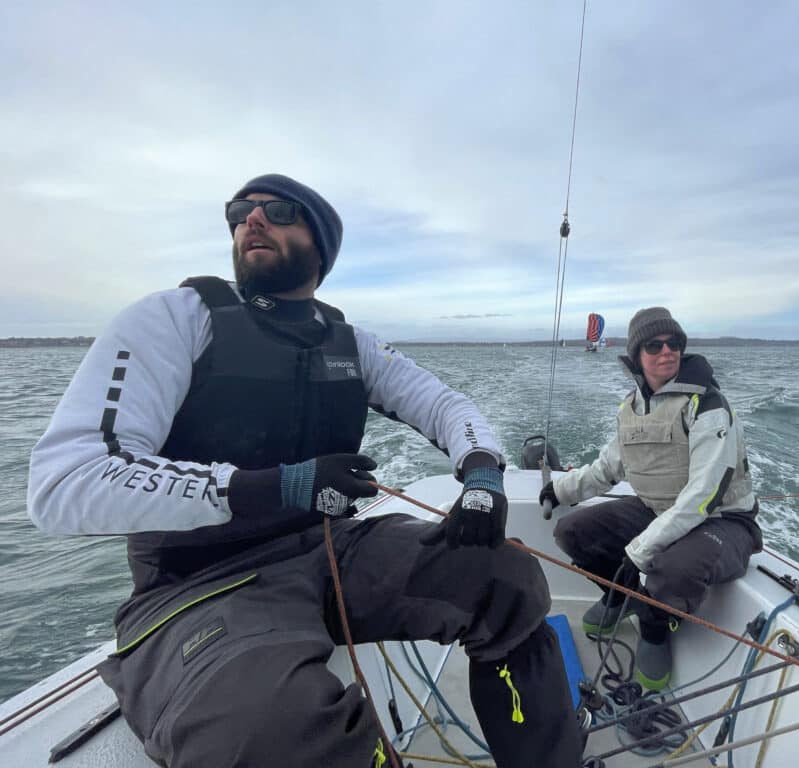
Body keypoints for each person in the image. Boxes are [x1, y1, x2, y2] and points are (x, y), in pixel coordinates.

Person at [28, 174, 582, 767]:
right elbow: (65, 482)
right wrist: (270, 486)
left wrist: (481, 474)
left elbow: (446, 405)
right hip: (199, 583)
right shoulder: (176, 319)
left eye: (278, 210)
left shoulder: (349, 342)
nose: (252, 220)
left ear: (321, 245)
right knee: (275, 730)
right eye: (240, 211)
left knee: (506, 574)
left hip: (330, 549)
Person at [539, 307, 762, 691]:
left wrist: (639, 550)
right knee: (572, 531)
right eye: (655, 345)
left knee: (671, 571)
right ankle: (618, 597)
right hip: (658, 509)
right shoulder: (631, 409)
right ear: (636, 356)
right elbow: (606, 469)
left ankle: (655, 628)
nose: (667, 351)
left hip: (722, 522)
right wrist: (558, 490)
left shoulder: (707, 405)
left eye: (674, 343)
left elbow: (702, 497)